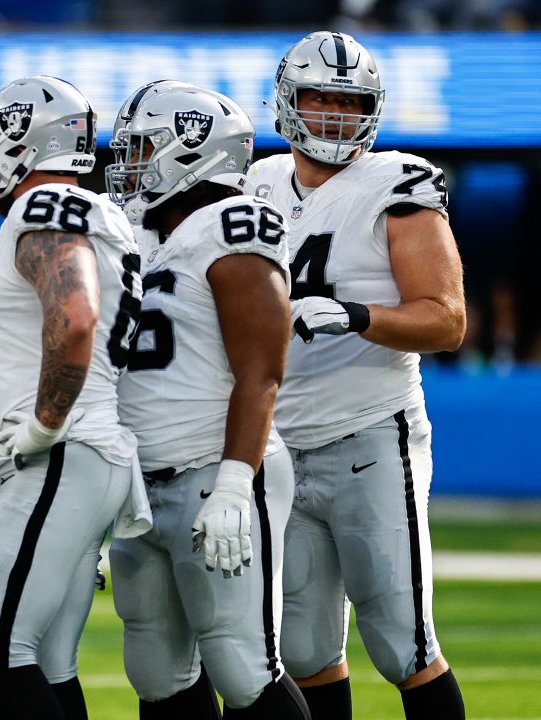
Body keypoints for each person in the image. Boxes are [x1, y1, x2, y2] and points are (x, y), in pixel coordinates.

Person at [248, 30, 467, 720]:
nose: (336, 116)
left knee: (402, 640)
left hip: (370, 436)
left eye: (350, 102)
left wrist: (354, 314)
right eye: (319, 98)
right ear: (287, 102)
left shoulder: (396, 181)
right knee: (306, 651)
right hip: (280, 444)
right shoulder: (254, 183)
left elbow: (447, 319)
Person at [106, 83, 309, 719]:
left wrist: (232, 483)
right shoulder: (139, 235)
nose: (130, 163)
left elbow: (261, 372)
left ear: (189, 151)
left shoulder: (231, 226)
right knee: (156, 673)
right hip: (142, 482)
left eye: (143, 148)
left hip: (212, 473)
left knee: (244, 666)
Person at [0, 75, 147, 720]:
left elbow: (76, 319)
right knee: (47, 660)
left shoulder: (47, 206)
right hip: (73, 456)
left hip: (61, 452)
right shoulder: (82, 209)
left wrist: (44, 422)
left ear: (21, 138)